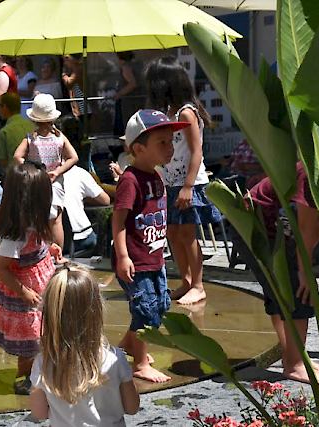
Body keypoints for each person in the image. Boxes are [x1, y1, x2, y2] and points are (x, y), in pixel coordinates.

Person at [113, 109, 191, 383]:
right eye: (162, 142)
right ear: (138, 148)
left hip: (154, 257)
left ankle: (127, 346)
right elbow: (119, 221)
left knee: (157, 306)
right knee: (145, 311)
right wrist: (123, 256)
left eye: (171, 141)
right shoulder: (130, 180)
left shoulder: (156, 177)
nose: (170, 148)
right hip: (135, 260)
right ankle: (140, 363)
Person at [231, 163, 319, 383]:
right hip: (256, 228)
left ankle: (291, 354)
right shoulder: (314, 173)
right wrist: (304, 271)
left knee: (283, 291)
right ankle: (295, 364)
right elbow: (307, 229)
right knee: (297, 291)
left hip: (278, 229)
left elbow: (315, 228)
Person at [145, 56, 221, 305]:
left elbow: (196, 151)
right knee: (173, 234)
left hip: (189, 184)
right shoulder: (168, 112)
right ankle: (186, 281)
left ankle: (199, 285)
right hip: (171, 183)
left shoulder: (186, 112)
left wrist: (188, 186)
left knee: (188, 234)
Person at [30, 265, 140, 426]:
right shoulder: (114, 358)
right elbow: (132, 407)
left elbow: (39, 413)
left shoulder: (44, 363)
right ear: (96, 311)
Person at [0, 163, 63, 395]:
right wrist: (23, 291)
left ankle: (44, 371)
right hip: (25, 289)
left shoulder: (34, 221)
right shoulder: (16, 235)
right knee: (29, 339)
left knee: (45, 330)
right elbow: (1, 268)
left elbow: (37, 244)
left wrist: (48, 248)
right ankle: (24, 376)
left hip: (41, 276)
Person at [13, 94, 79, 246]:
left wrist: (32, 167)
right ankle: (58, 254)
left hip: (36, 180)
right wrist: (57, 171)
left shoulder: (31, 138)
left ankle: (40, 252)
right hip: (55, 181)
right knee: (56, 220)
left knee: (37, 218)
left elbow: (17, 156)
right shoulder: (59, 137)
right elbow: (73, 157)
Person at [62, 165, 111, 253]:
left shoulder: (36, 174)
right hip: (80, 238)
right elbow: (105, 200)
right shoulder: (79, 173)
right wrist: (84, 199)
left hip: (50, 243)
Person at [0, 92, 35, 172]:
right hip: (35, 173)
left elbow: (3, 163)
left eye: (0, 105)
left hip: (15, 176)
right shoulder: (33, 127)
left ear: (5, 107)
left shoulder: (3, 133)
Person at [113, 52, 144, 136]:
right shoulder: (137, 65)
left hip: (127, 102)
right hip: (135, 101)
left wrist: (119, 94)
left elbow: (132, 83)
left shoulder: (126, 67)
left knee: (125, 126)